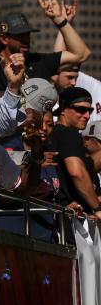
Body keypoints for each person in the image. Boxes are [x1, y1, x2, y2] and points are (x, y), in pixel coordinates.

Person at [0, 0, 90, 98]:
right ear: (4, 39)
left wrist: (59, 20)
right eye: (20, 36)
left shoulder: (38, 61)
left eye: (28, 34)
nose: (26, 40)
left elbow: (82, 54)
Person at [48, 87, 101, 218]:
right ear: (64, 109)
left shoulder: (61, 135)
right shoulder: (67, 134)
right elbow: (77, 173)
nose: (87, 115)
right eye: (81, 110)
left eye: (90, 110)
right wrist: (97, 208)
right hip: (72, 222)